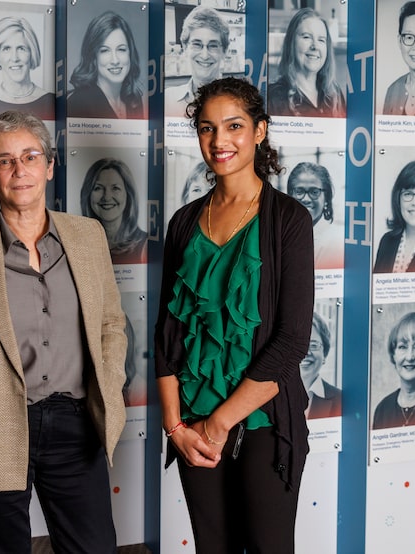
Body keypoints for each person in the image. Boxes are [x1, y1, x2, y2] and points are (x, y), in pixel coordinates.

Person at [0, 110, 127, 554]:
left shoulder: (88, 236)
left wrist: (110, 379)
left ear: (50, 166)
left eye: (31, 156)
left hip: (76, 424)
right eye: (4, 161)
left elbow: (112, 322)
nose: (20, 171)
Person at [154, 77, 314, 553]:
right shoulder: (184, 222)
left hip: (263, 421)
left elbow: (290, 342)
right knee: (212, 547)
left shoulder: (288, 220)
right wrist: (175, 427)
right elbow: (166, 338)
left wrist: (220, 423)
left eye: (234, 126)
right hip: (192, 426)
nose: (219, 141)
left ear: (260, 131)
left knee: (268, 546)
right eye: (207, 128)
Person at [267, 8, 345, 118]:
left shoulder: (334, 93)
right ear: (291, 43)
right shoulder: (273, 96)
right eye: (307, 37)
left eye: (321, 40)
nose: (315, 46)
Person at [68, 11, 144, 119]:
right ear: (93, 57)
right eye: (105, 51)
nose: (115, 60)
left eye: (121, 49)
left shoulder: (134, 100)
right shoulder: (78, 103)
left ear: (130, 53)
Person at [0, 17, 55, 120]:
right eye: (6, 49)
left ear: (32, 53)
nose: (14, 58)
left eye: (21, 49)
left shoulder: (53, 102)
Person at [165, 7, 229, 118]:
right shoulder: (167, 100)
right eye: (197, 44)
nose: (204, 55)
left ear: (224, 51)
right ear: (185, 48)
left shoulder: (238, 103)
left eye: (213, 45)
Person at [80, 157, 147, 264]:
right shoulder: (77, 244)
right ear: (88, 194)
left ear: (128, 195)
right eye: (98, 188)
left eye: (115, 188)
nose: (107, 197)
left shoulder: (146, 245)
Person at [287, 161, 344, 269]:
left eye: (314, 192)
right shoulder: (282, 233)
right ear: (290, 195)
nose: (306, 199)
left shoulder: (335, 242)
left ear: (326, 198)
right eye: (299, 191)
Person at [301, 312, 342, 419]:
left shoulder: (342, 399)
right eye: (299, 344)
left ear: (324, 354)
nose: (306, 352)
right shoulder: (269, 394)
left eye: (313, 345)